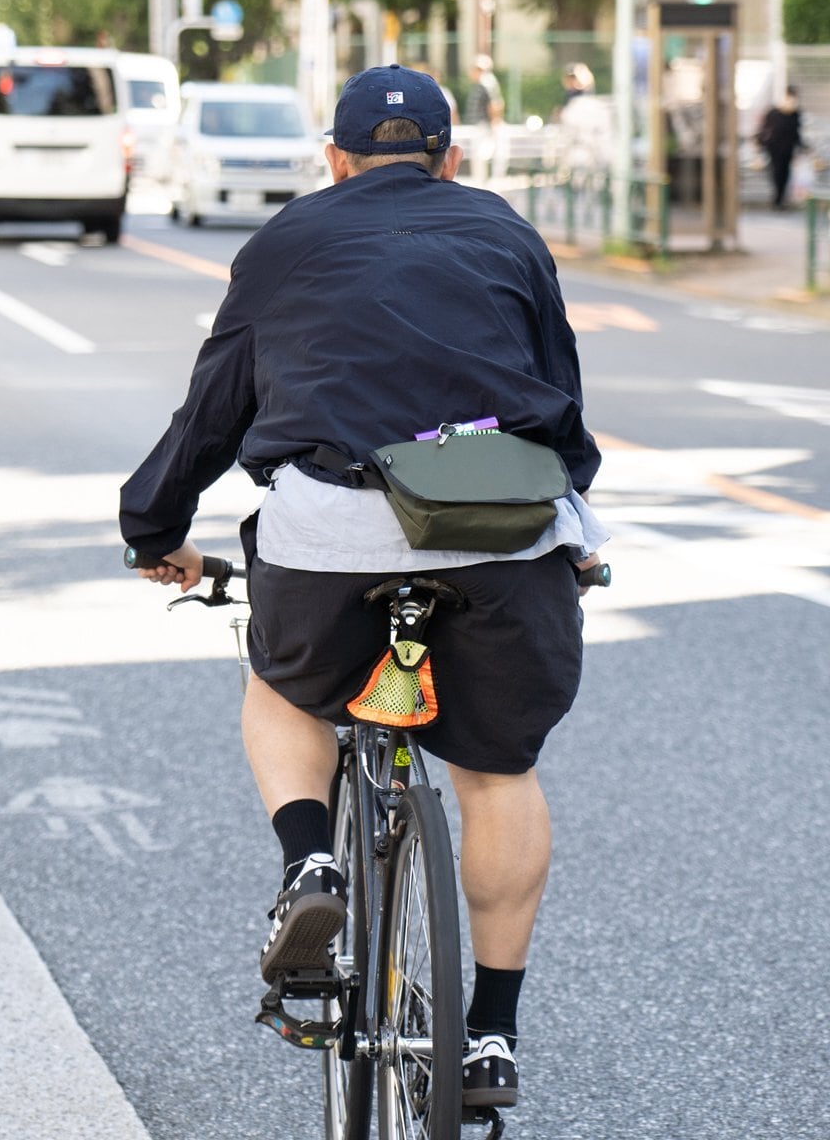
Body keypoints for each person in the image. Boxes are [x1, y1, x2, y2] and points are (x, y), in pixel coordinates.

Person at [120, 64, 607, 1108]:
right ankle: (490, 1037)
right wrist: (571, 526)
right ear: (450, 157)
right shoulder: (508, 232)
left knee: (284, 685)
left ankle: (312, 866)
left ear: (334, 161)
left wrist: (154, 528)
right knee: (499, 774)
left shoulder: (287, 238)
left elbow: (213, 411)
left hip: (332, 530)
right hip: (499, 528)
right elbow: (560, 403)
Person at [755, 87, 806, 210]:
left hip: (788, 149)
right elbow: (765, 129)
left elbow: (796, 133)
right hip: (774, 148)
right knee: (776, 172)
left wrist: (802, 146)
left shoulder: (795, 114)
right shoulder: (774, 113)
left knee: (785, 173)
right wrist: (760, 142)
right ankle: (777, 200)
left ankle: (780, 199)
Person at [463, 54, 506, 182]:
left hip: (484, 125)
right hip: (480, 125)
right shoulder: (482, 82)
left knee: (482, 155)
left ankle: (484, 182)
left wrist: (494, 122)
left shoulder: (486, 82)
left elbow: (495, 104)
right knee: (480, 156)